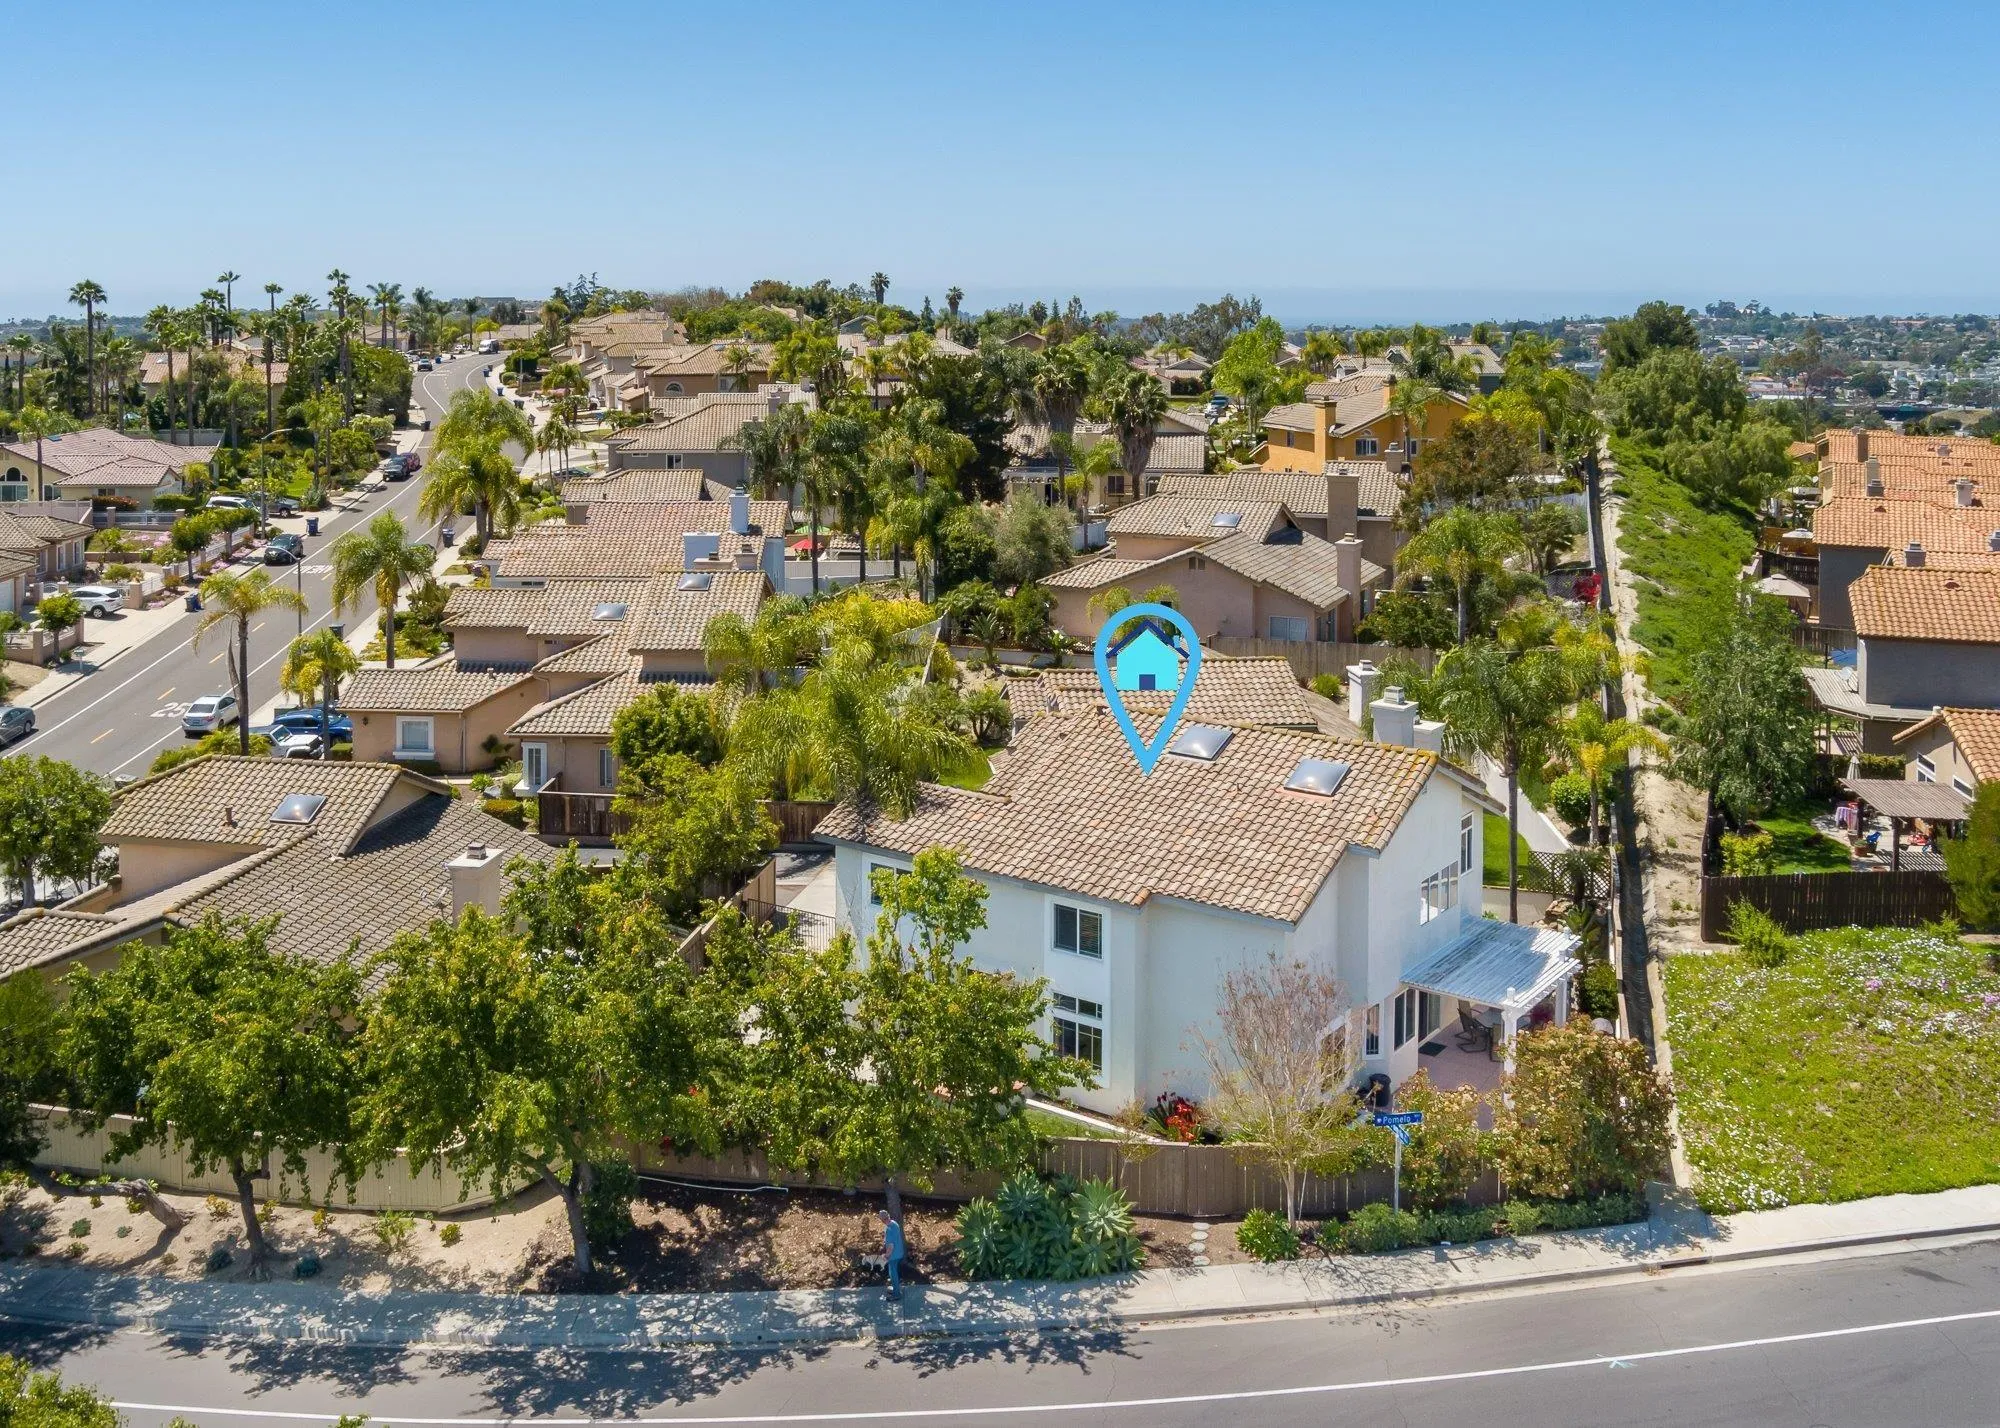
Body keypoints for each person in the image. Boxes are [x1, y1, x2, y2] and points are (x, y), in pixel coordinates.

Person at [877, 1207, 905, 1300]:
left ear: (882, 1220)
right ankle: (895, 1288)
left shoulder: (889, 1229)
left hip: (893, 1255)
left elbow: (890, 1246)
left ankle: (896, 1294)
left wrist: (886, 1255)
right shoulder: (895, 1223)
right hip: (899, 1252)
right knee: (893, 1272)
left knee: (893, 1274)